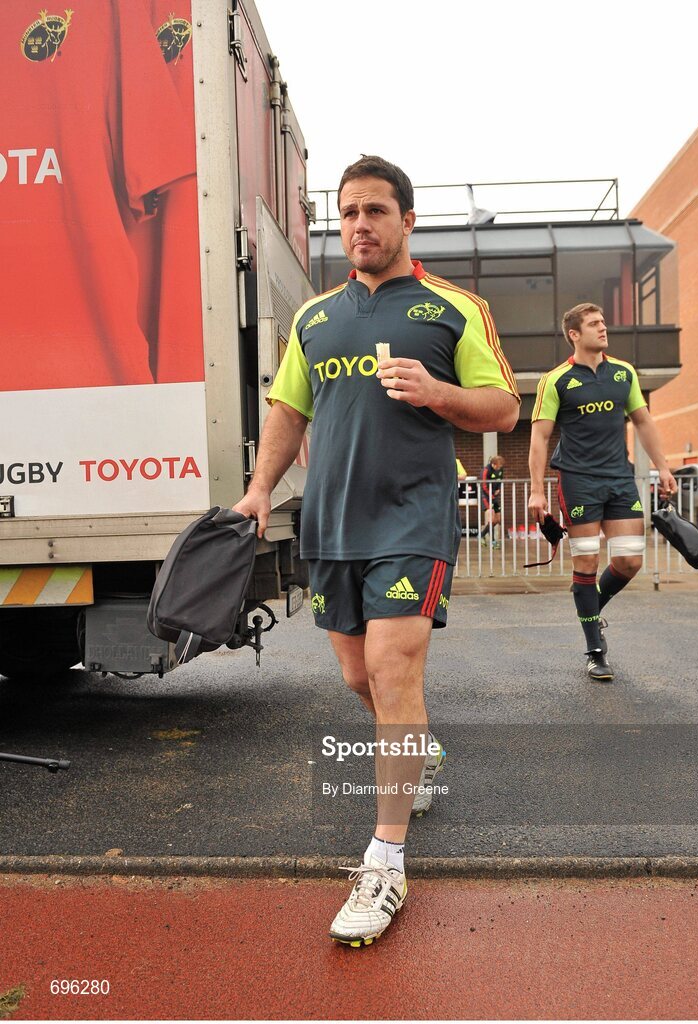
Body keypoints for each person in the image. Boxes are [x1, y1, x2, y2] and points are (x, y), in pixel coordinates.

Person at [233, 155, 519, 946]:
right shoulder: (316, 319)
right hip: (331, 525)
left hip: (412, 519)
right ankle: (416, 751)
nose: (361, 225)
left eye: (376, 212)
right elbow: (288, 411)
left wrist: (440, 395)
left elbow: (502, 407)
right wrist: (259, 490)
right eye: (349, 212)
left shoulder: (452, 308)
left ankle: (385, 860)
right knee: (361, 678)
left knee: (394, 669)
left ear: (407, 221)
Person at [528, 303, 676, 682]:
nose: (603, 328)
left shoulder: (624, 372)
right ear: (574, 334)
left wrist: (663, 466)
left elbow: (643, 422)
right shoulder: (556, 380)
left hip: (619, 478)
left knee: (629, 562)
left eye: (604, 322)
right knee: (587, 563)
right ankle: (595, 648)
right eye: (594, 324)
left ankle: (592, 607)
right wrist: (536, 491)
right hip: (578, 480)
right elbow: (540, 438)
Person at [480, 455, 505, 546]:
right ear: (493, 464)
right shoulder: (486, 470)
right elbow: (484, 486)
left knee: (497, 519)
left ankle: (482, 534)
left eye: (500, 467)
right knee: (491, 517)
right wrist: (491, 495)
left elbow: (500, 479)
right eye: (498, 466)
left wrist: (498, 488)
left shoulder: (500, 469)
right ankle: (493, 541)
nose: (499, 468)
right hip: (486, 497)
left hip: (494, 496)